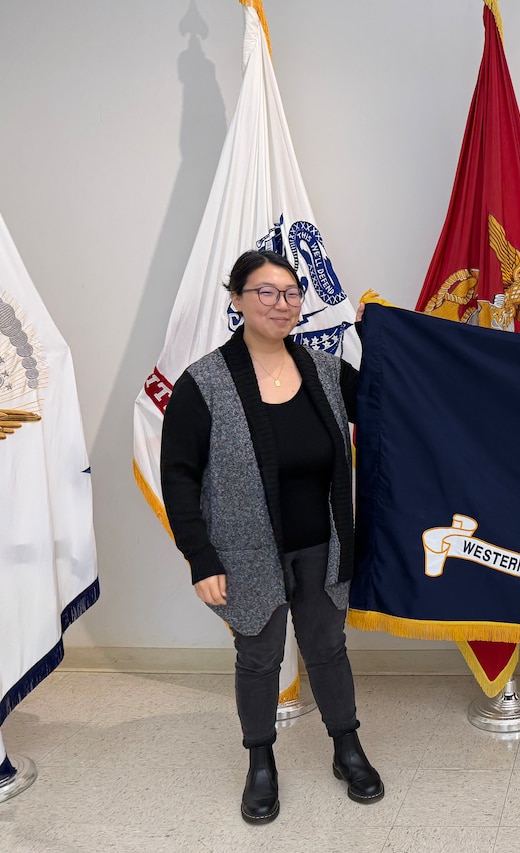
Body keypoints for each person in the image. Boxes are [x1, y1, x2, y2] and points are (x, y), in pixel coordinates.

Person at [160, 249, 382, 824]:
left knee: (328, 647)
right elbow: (178, 478)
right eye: (265, 291)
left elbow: (388, 402)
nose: (281, 304)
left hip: (323, 545)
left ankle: (347, 747)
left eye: (291, 293)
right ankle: (260, 762)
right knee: (259, 656)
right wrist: (200, 557)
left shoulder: (326, 372)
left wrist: (379, 335)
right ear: (236, 299)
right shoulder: (204, 383)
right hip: (245, 553)